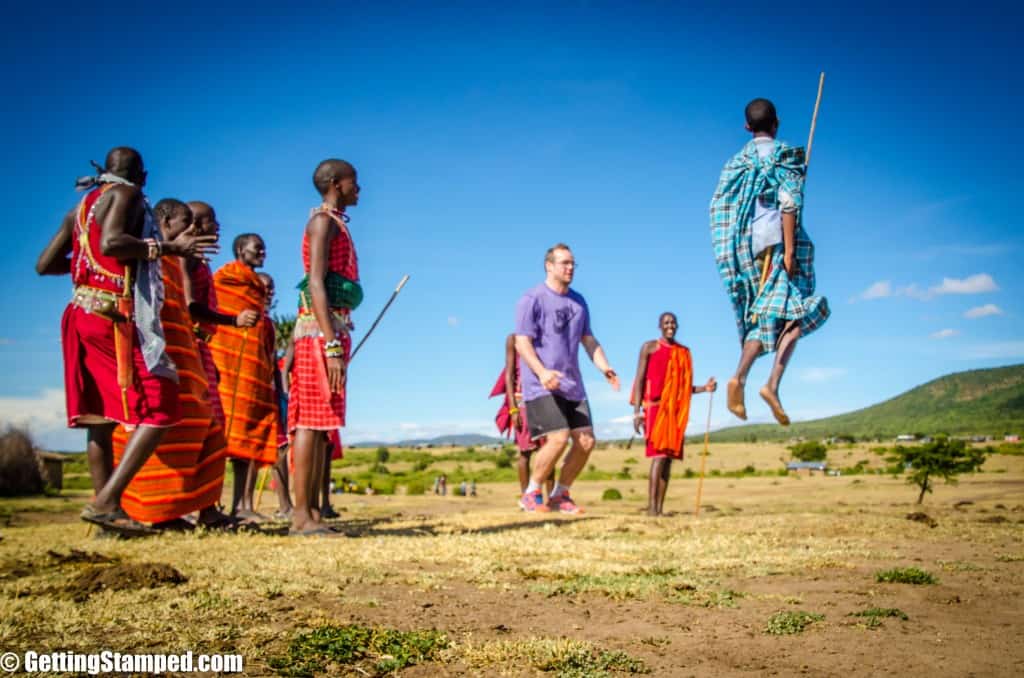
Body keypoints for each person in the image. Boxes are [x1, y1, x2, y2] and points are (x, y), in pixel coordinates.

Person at [35, 148, 216, 535]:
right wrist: (165, 249)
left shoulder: (81, 208)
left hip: (80, 313)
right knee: (163, 404)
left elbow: (45, 264)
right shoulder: (128, 196)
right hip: (113, 317)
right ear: (142, 176)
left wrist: (91, 266)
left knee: (100, 419)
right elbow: (113, 243)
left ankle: (107, 522)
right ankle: (105, 502)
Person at [110, 199, 231, 529]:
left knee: (203, 432)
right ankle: (156, 512)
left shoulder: (179, 260)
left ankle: (197, 507)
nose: (193, 229)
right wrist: (233, 320)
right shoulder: (157, 257)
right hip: (160, 354)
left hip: (185, 354)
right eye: (187, 222)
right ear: (164, 221)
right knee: (164, 430)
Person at [710, 98, 829, 425]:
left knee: (761, 316)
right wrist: (789, 252)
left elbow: (722, 209)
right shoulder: (786, 158)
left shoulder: (736, 164)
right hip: (778, 243)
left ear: (747, 128)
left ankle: (740, 377)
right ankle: (772, 385)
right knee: (798, 313)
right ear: (776, 124)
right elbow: (788, 204)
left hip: (747, 249)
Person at [514, 243, 620, 514]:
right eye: (565, 263)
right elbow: (521, 342)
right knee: (559, 438)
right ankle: (532, 492)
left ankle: (561, 494)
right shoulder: (532, 298)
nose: (570, 268)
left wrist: (605, 368)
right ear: (549, 266)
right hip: (541, 384)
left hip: (573, 385)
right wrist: (542, 372)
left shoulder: (579, 302)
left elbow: (589, 340)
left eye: (573, 263)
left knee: (586, 441)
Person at [287, 159, 363, 536]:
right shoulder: (321, 222)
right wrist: (331, 344)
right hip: (321, 332)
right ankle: (301, 516)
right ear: (336, 183)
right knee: (309, 422)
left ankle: (312, 513)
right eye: (354, 182)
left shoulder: (334, 224)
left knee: (322, 427)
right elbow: (314, 283)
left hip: (331, 329)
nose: (359, 188)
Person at [209, 234, 279, 518]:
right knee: (220, 437)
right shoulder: (225, 280)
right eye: (256, 247)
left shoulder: (257, 290)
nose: (262, 251)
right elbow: (217, 315)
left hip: (254, 371)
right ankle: (209, 505)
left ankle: (244, 505)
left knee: (251, 435)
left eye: (264, 247)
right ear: (240, 250)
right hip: (227, 366)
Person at [183, 202, 259, 432]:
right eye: (211, 220)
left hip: (201, 348)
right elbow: (189, 305)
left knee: (212, 425)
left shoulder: (200, 261)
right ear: (195, 225)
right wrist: (233, 321)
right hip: (188, 347)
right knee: (198, 425)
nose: (217, 225)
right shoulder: (185, 258)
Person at [630, 312, 716, 516]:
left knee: (668, 459)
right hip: (654, 407)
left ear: (677, 326)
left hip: (674, 411)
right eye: (666, 322)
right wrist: (636, 413)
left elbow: (683, 387)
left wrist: (705, 388)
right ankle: (651, 509)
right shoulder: (649, 347)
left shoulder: (683, 352)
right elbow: (640, 380)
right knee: (658, 456)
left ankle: (659, 509)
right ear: (660, 326)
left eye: (673, 322)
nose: (670, 325)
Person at [490, 334, 554, 498]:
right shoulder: (513, 339)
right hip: (522, 402)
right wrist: (513, 409)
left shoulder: (546, 339)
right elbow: (509, 374)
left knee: (549, 451)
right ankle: (527, 498)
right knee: (525, 452)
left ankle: (553, 499)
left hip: (545, 398)